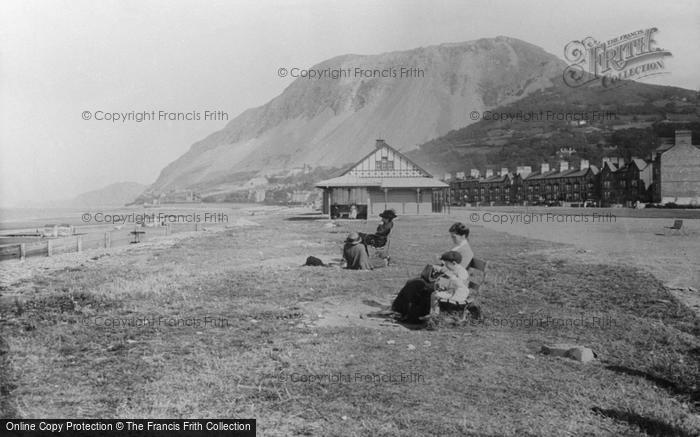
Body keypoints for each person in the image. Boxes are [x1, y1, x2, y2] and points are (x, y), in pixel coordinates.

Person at [423, 251, 469, 319]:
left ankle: (434, 314)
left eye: (446, 264)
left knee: (435, 295)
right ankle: (434, 312)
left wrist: (449, 275)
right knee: (434, 292)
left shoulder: (462, 272)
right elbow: (451, 283)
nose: (445, 266)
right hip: (453, 291)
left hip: (459, 294)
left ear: (454, 263)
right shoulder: (455, 269)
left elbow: (459, 284)